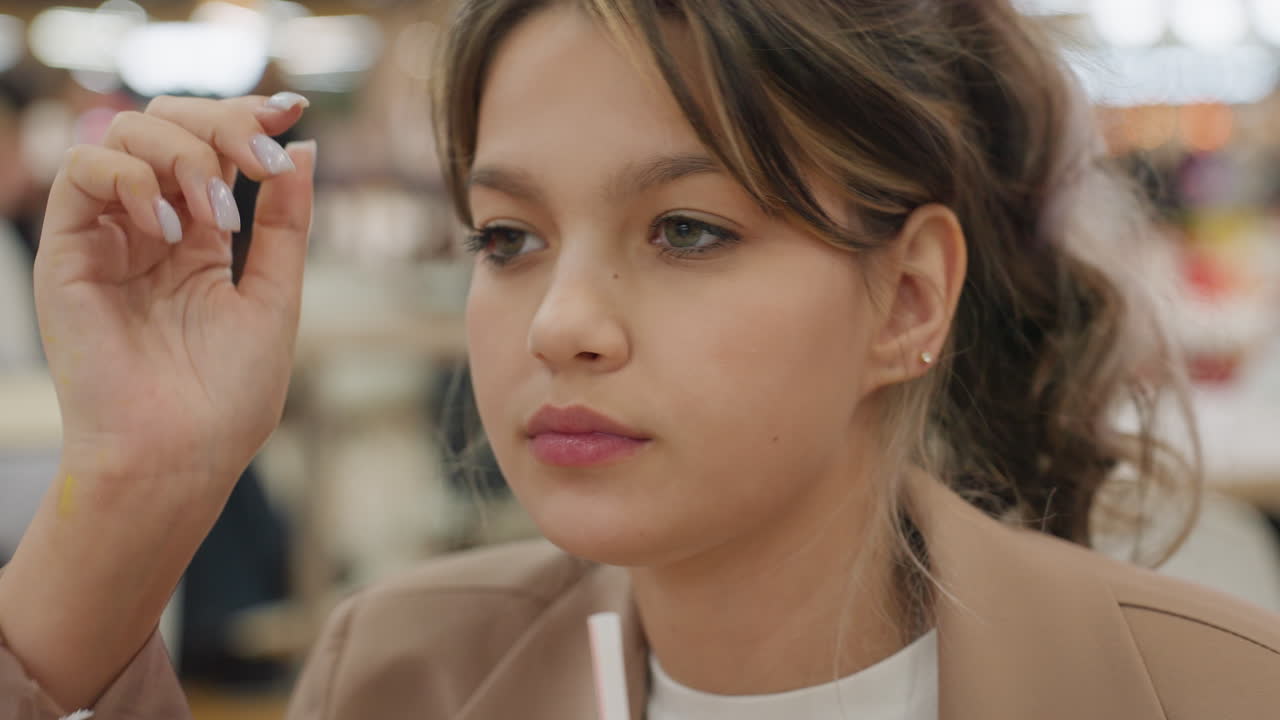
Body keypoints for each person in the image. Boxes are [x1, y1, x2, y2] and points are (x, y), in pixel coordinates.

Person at [1, 1, 1278, 718]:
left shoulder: (1210, 694)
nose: (561, 322)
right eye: (506, 237)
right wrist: (129, 487)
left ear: (906, 297)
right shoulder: (403, 676)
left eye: (685, 229)